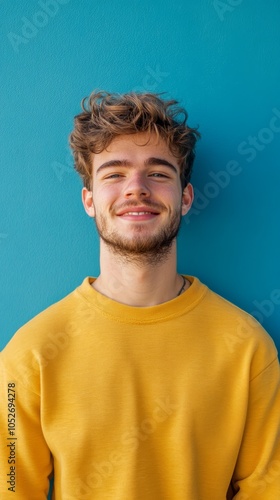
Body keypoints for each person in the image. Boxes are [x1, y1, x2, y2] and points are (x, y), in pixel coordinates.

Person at [0, 91, 279, 500]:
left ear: (184, 198)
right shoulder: (30, 355)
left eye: (159, 173)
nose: (137, 188)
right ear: (89, 200)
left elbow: (267, 489)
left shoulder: (247, 347)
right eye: (114, 174)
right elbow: (11, 489)